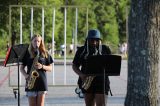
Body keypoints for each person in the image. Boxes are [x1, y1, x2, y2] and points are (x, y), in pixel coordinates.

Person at [72, 29, 111, 106]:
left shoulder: (105, 49)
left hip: (101, 81)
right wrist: (82, 75)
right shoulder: (81, 50)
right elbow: (74, 65)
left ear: (100, 40)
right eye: (92, 40)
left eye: (96, 40)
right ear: (87, 40)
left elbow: (110, 64)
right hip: (87, 80)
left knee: (101, 104)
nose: (94, 42)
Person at [20, 34, 53, 106]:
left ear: (41, 42)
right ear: (31, 42)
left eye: (38, 41)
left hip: (42, 82)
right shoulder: (27, 54)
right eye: (35, 41)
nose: (36, 43)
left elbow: (50, 68)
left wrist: (42, 66)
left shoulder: (45, 53)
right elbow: (21, 68)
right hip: (31, 82)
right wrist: (26, 75)